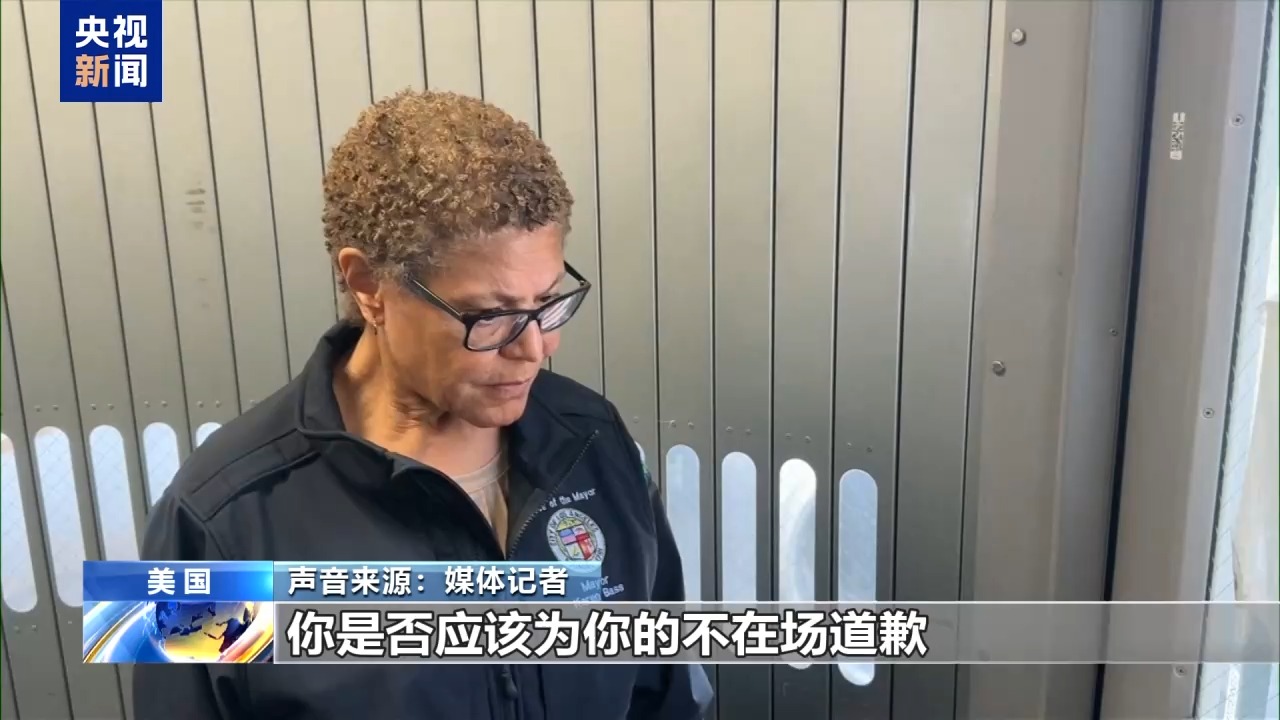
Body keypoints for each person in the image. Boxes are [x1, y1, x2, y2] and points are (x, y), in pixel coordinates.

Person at [135, 89, 712, 720]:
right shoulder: (220, 522)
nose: (536, 350)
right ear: (368, 286)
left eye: (548, 303)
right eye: (489, 316)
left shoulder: (593, 441)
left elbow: (663, 690)